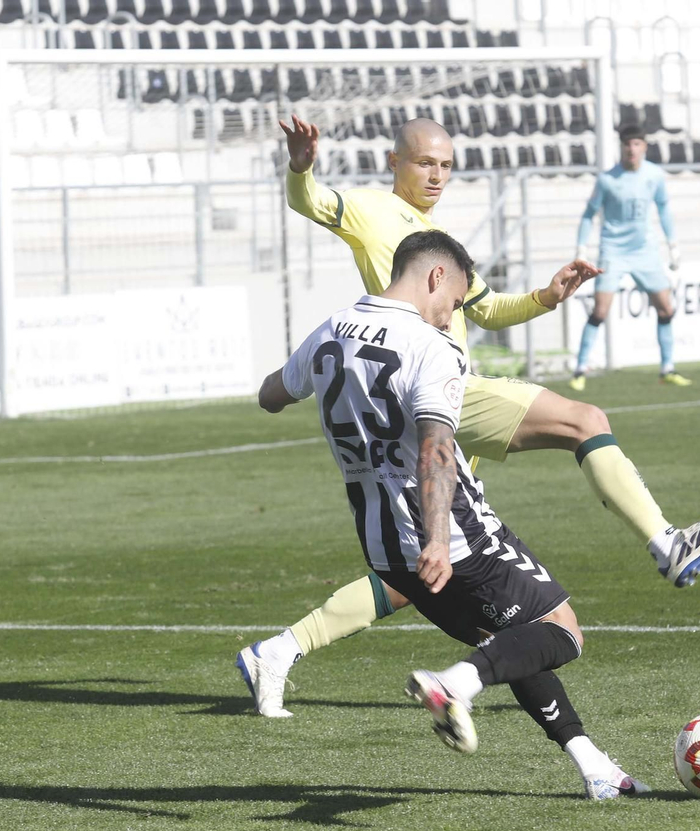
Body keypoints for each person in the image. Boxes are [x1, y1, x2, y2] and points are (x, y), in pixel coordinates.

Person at [236, 114, 700, 719]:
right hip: (431, 384)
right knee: (582, 419)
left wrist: (545, 298)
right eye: (425, 163)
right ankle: (666, 545)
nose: (437, 175)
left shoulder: (434, 234)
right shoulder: (373, 212)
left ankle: (279, 651)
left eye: (447, 165)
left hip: (432, 395)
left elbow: (488, 309)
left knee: (416, 569)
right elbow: (310, 201)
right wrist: (301, 163)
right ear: (395, 163)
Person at [257, 229, 647, 800]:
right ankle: (455, 684)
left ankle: (593, 767)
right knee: (561, 633)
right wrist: (439, 537)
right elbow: (437, 447)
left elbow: (270, 394)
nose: (450, 317)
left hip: (383, 547)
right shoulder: (430, 346)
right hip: (450, 535)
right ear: (436, 276)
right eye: (456, 303)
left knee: (507, 642)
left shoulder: (328, 333)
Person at [571, 126, 688, 389]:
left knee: (666, 307)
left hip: (645, 250)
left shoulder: (654, 175)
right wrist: (581, 247)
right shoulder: (607, 179)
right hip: (613, 250)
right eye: (627, 144)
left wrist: (673, 244)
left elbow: (664, 208)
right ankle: (580, 369)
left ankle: (667, 368)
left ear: (644, 146)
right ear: (621, 147)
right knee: (600, 310)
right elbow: (589, 214)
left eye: (637, 144)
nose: (632, 149)